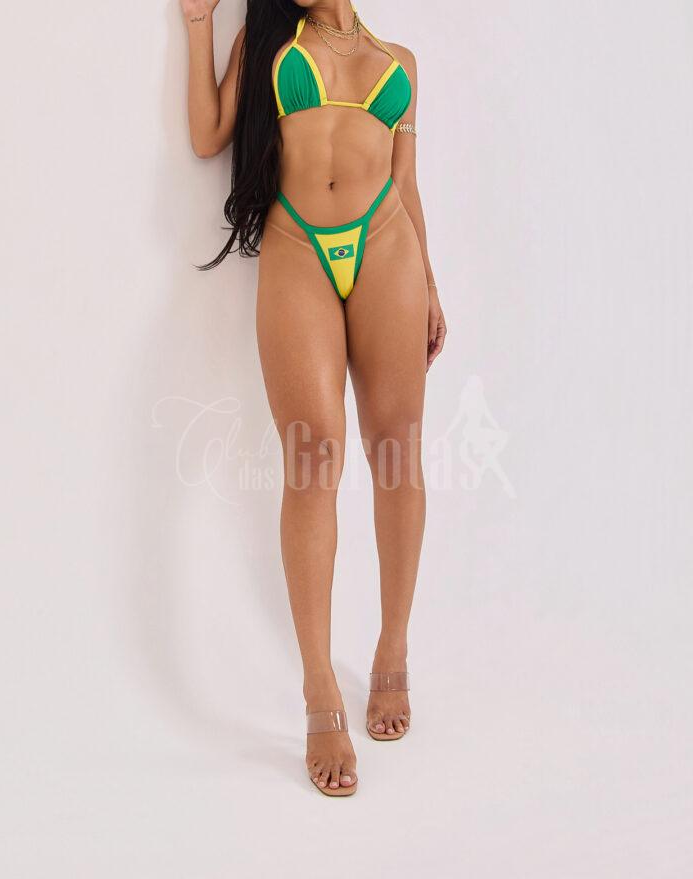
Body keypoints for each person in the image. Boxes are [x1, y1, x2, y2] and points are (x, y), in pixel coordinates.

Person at [181, 0, 446, 796]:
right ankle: (319, 685)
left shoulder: (399, 61)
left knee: (396, 450)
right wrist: (197, 27)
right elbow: (208, 134)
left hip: (389, 246)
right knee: (313, 456)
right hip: (297, 243)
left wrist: (431, 283)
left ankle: (392, 650)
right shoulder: (270, 43)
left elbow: (406, 182)